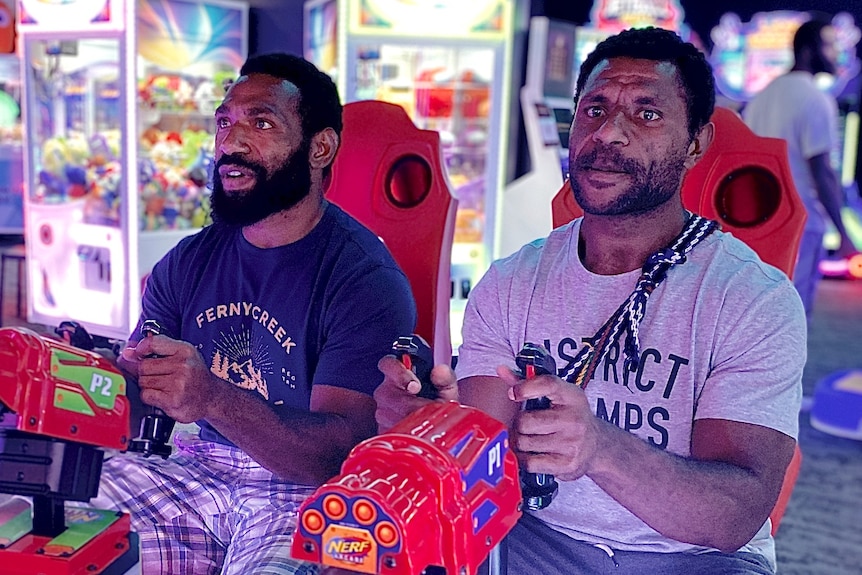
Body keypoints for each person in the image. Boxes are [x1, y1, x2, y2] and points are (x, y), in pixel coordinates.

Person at [376, 27, 805, 575]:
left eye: (646, 114)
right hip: (535, 540)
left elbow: (731, 518)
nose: (610, 134)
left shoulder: (752, 298)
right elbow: (485, 453)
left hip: (693, 560)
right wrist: (433, 425)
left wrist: (600, 448)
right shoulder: (512, 281)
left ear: (695, 143)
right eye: (595, 109)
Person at [93, 53, 417, 574]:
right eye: (225, 121)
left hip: (303, 496)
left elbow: (335, 456)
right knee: (49, 528)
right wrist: (77, 369)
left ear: (321, 147)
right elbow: (138, 396)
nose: (231, 142)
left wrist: (212, 397)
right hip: (191, 470)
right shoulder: (188, 261)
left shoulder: (365, 280)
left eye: (261, 122)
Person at [744, 15, 857, 317]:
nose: (837, 54)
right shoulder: (815, 98)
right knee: (791, 320)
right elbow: (822, 171)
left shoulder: (761, 98)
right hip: (800, 227)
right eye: (830, 46)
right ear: (808, 50)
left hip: (758, 225)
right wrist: (844, 234)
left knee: (759, 318)